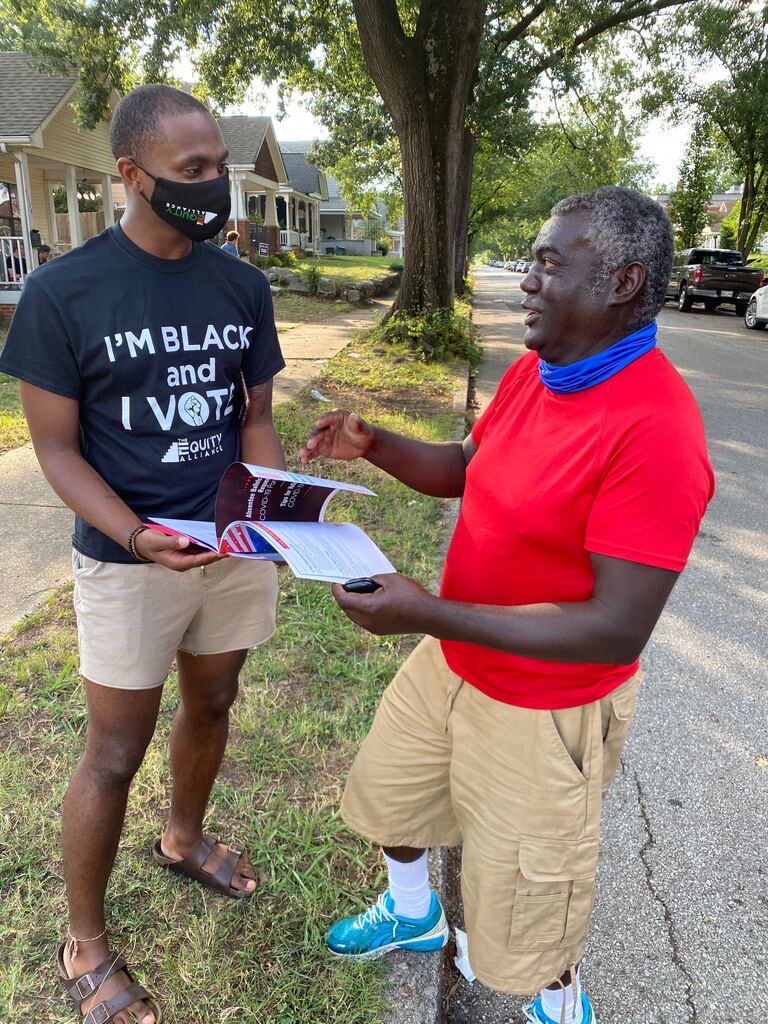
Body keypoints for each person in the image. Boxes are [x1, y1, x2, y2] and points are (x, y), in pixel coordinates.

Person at [299, 187, 714, 1024]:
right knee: (391, 796)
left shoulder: (656, 428)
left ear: (623, 283)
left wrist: (427, 613)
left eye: (551, 263)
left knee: (529, 909)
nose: (528, 280)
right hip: (452, 660)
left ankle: (561, 1006)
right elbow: (466, 464)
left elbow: (616, 626)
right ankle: (414, 913)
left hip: (543, 708)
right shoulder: (538, 369)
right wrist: (373, 445)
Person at [0, 84, 286, 1024]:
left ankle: (183, 836)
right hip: (130, 559)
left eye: (219, 169)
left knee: (214, 698)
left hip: (230, 545)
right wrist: (134, 534)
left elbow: (254, 418)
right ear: (132, 175)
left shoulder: (241, 284)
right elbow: (56, 451)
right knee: (114, 749)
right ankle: (84, 939)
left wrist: (276, 513)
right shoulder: (61, 292)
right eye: (192, 172)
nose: (215, 190)